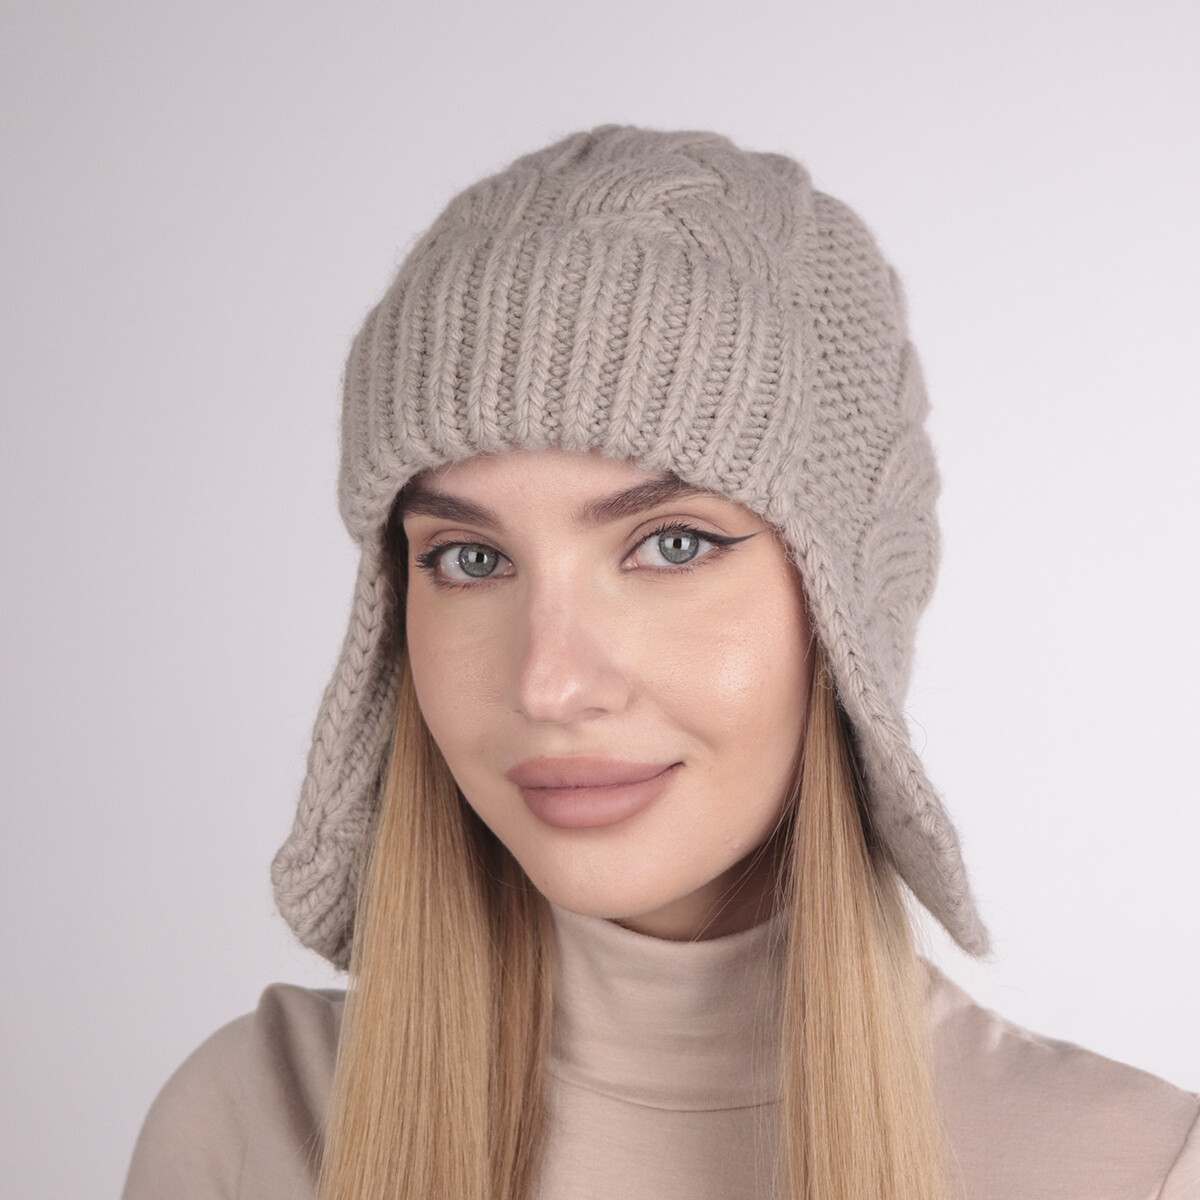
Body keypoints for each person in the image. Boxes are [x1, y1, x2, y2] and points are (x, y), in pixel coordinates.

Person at [121, 124, 1199, 1200]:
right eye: (469, 558)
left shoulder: (1132, 1172)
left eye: (673, 545)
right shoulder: (254, 1129)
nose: (549, 684)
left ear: (846, 611)